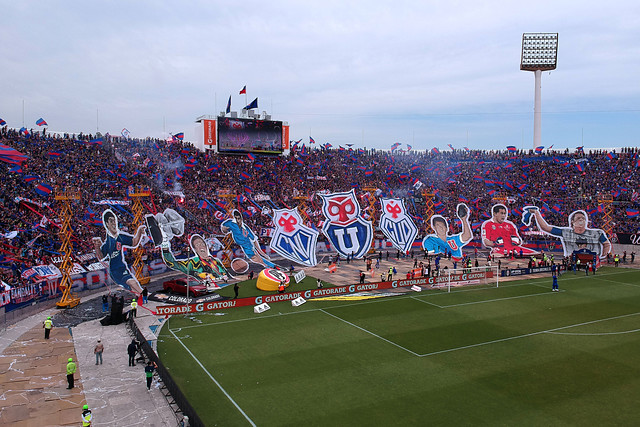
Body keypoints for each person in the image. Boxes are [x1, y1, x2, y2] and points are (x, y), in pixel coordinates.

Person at [92, 209, 146, 295]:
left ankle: (143, 299)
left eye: (114, 221)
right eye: (111, 221)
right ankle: (145, 294)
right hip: (115, 271)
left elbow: (134, 242)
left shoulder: (120, 237)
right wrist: (97, 247)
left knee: (134, 288)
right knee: (132, 283)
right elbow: (101, 257)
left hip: (122, 267)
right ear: (107, 224)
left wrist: (139, 231)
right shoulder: (108, 242)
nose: (114, 223)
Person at [526, 208, 611, 259]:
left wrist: (603, 256)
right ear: (572, 222)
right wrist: (536, 213)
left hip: (592, 260)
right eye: (578, 218)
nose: (581, 220)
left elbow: (606, 244)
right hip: (572, 261)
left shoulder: (597, 233)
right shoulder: (566, 232)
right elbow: (545, 227)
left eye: (583, 218)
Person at [160, 233, 231, 286]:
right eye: (197, 245)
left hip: (225, 285)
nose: (201, 247)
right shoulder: (192, 263)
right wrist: (165, 247)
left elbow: (227, 275)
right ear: (195, 249)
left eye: (202, 244)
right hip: (209, 290)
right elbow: (172, 263)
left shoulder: (216, 261)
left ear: (206, 246)